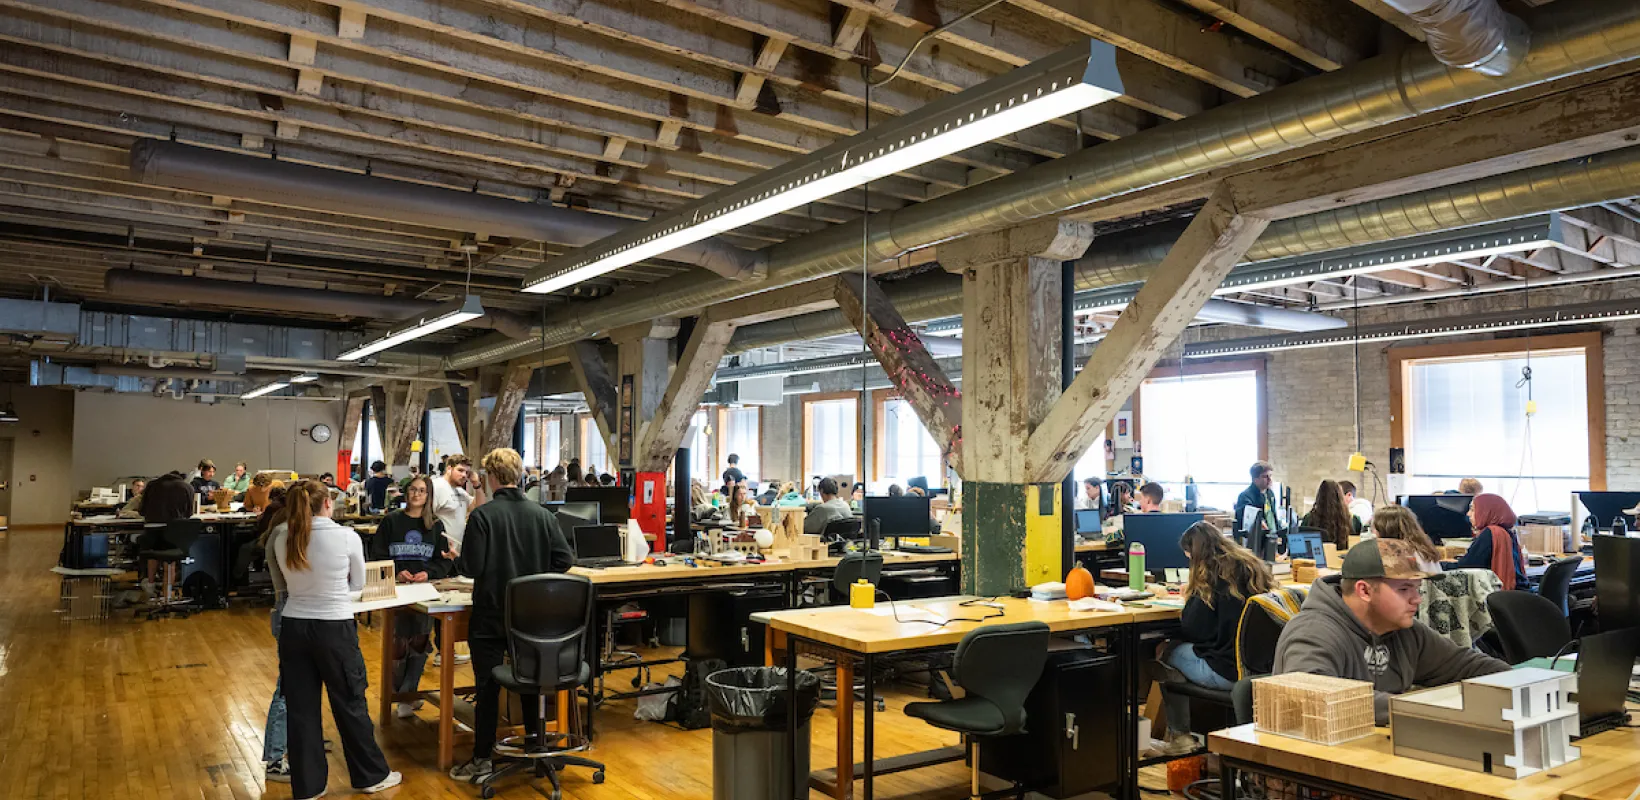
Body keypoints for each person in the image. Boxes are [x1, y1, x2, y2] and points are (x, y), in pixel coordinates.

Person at [1273, 539, 1509, 725]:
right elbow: (1311, 698)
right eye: (1405, 588)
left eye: (1418, 588)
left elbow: (1466, 665)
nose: (1417, 599)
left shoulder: (1404, 631)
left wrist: (1525, 682)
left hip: (1374, 753)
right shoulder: (1314, 633)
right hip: (1315, 769)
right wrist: (1420, 709)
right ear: (1364, 591)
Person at [447, 448, 574, 784]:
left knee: (487, 688)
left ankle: (482, 759)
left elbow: (471, 568)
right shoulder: (544, 516)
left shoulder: (483, 517)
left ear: (490, 478)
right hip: (531, 620)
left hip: (490, 616)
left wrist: (458, 556)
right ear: (518, 476)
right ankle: (535, 748)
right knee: (531, 683)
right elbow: (564, 560)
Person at [271, 480, 401, 797]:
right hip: (333, 628)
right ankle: (370, 775)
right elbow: (358, 583)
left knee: (301, 709)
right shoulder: (346, 537)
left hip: (294, 627)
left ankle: (308, 786)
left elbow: (286, 584)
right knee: (349, 702)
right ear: (327, 503)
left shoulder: (282, 537)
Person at [1157, 522, 1276, 754]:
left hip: (1227, 673)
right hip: (1260, 669)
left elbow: (1194, 630)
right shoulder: (1252, 568)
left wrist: (1190, 597)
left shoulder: (1209, 578)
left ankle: (1180, 737)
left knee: (1166, 651)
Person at [367, 474, 455, 719]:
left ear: (428, 496)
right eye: (413, 490)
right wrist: (396, 571)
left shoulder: (435, 525)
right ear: (406, 493)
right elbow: (378, 555)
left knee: (419, 641)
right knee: (398, 643)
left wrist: (427, 573)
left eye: (422, 491)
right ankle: (398, 693)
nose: (417, 494)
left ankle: (408, 693)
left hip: (424, 590)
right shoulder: (391, 522)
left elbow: (443, 562)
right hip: (396, 589)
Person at [1450, 493, 1527, 590]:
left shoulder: (1490, 533)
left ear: (1486, 512)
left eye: (1473, 510)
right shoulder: (1507, 532)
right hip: (1519, 591)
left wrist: (1438, 565)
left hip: (1502, 597)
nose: (1468, 514)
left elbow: (1466, 566)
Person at [134, 471, 196, 591]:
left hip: (152, 531)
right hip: (173, 531)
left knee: (153, 552)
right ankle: (166, 593)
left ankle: (150, 585)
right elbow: (189, 513)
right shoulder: (187, 487)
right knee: (170, 561)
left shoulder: (152, 485)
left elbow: (141, 511)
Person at [1370, 506, 1443, 574]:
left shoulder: (1404, 556)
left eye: (1375, 529)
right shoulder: (1421, 547)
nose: (1373, 533)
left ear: (1385, 531)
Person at [1300, 479, 1360, 551]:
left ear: (1319, 497)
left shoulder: (1308, 518)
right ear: (1340, 497)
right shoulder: (1353, 519)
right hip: (1343, 560)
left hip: (1315, 560)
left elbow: (1301, 545)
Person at [1233, 461, 1276, 540]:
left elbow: (1273, 516)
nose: (1269, 479)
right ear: (1255, 479)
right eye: (1265, 476)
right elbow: (1251, 520)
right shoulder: (1245, 496)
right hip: (1255, 539)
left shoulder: (1270, 494)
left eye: (1270, 476)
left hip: (1272, 536)